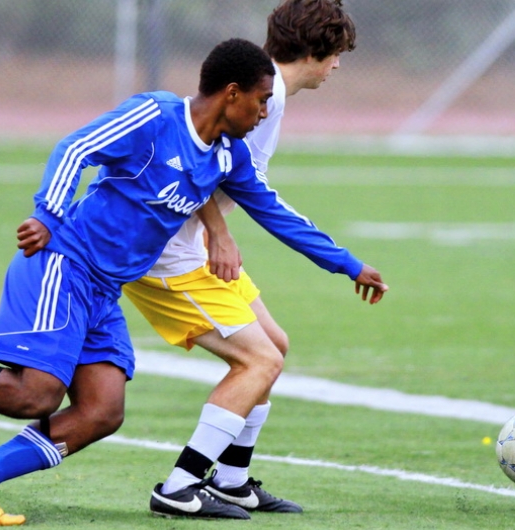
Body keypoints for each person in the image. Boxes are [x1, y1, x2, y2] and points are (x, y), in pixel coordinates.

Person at [0, 37, 385, 525]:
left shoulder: (227, 156)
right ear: (233, 93)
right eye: (263, 100)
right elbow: (76, 148)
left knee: (102, 411)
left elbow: (276, 212)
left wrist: (349, 264)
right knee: (35, 393)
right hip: (62, 264)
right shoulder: (155, 117)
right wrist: (48, 214)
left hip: (103, 290)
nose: (267, 112)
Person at [122, 0, 362, 519]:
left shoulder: (268, 87)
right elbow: (195, 148)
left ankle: (230, 481)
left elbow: (236, 175)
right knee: (260, 360)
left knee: (275, 345)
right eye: (337, 52)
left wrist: (344, 261)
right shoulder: (263, 92)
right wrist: (219, 229)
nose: (339, 65)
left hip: (196, 247)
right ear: (316, 49)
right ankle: (180, 484)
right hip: (168, 253)